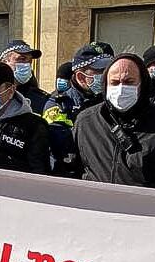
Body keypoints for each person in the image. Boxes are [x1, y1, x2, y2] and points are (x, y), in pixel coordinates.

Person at [72, 49, 155, 190]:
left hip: (144, 210)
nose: (121, 88)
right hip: (95, 208)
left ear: (142, 83)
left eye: (129, 81)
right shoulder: (86, 122)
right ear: (106, 85)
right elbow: (73, 169)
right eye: (115, 82)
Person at [42, 42, 113, 176]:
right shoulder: (58, 103)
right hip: (71, 177)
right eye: (100, 70)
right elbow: (61, 145)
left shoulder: (112, 100)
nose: (107, 75)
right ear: (81, 77)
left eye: (109, 68)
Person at [0, 39, 52, 115]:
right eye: (22, 59)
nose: (26, 64)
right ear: (5, 62)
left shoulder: (42, 99)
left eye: (30, 61)